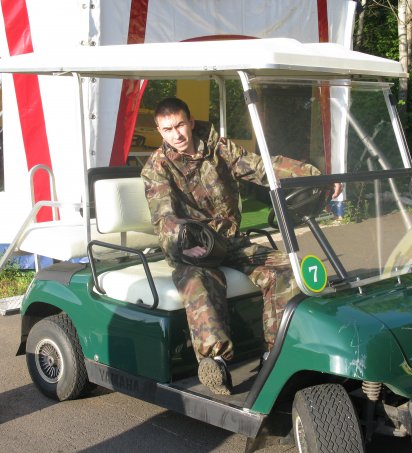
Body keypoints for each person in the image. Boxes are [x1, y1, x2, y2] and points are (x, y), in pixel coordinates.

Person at [141, 97, 329, 395]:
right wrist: (182, 243)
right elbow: (164, 217)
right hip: (193, 248)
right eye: (167, 129)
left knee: (286, 269)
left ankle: (275, 354)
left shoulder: (218, 148)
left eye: (179, 125)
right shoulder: (157, 167)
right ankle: (215, 363)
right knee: (199, 283)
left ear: (190, 122)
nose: (176, 135)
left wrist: (315, 176)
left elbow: (261, 168)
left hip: (230, 240)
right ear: (159, 131)